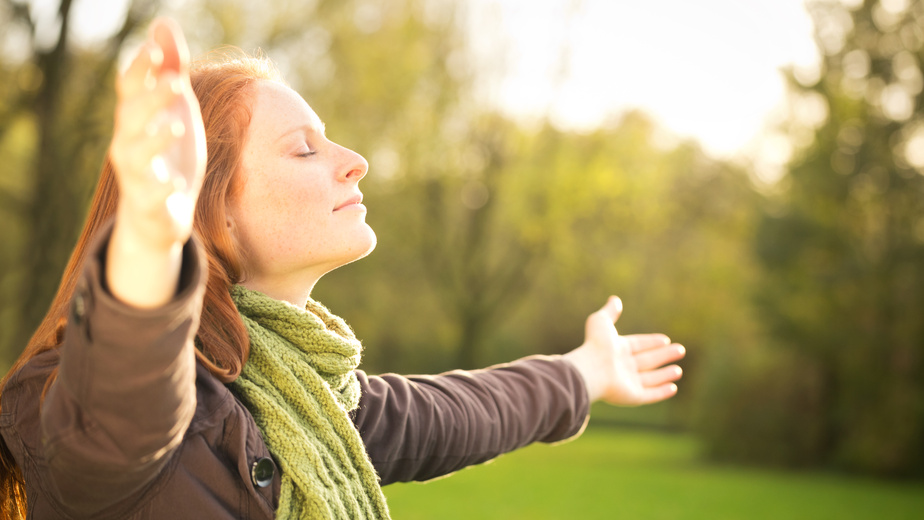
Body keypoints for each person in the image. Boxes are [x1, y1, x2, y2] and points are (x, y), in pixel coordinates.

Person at [0, 18, 685, 520]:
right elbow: (126, 369)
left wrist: (588, 371)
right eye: (304, 150)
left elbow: (459, 414)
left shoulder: (304, 401)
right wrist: (153, 230)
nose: (354, 160)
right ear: (212, 213)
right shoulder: (95, 411)